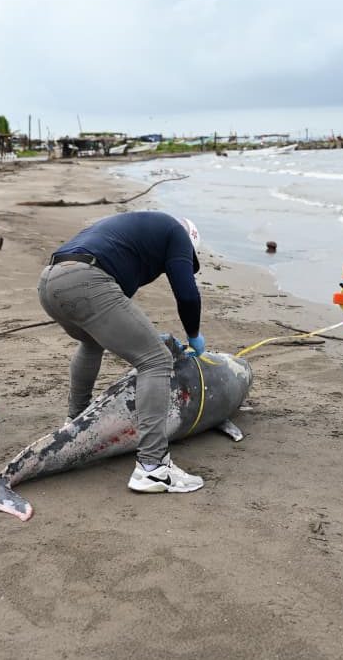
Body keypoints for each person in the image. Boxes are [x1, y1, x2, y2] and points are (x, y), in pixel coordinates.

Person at [38, 211, 206, 493]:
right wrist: (194, 336)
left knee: (91, 342)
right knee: (155, 361)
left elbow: (115, 316)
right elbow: (187, 293)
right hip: (86, 280)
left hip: (49, 281)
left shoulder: (134, 231)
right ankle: (153, 468)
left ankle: (75, 421)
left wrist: (149, 336)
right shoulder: (176, 233)